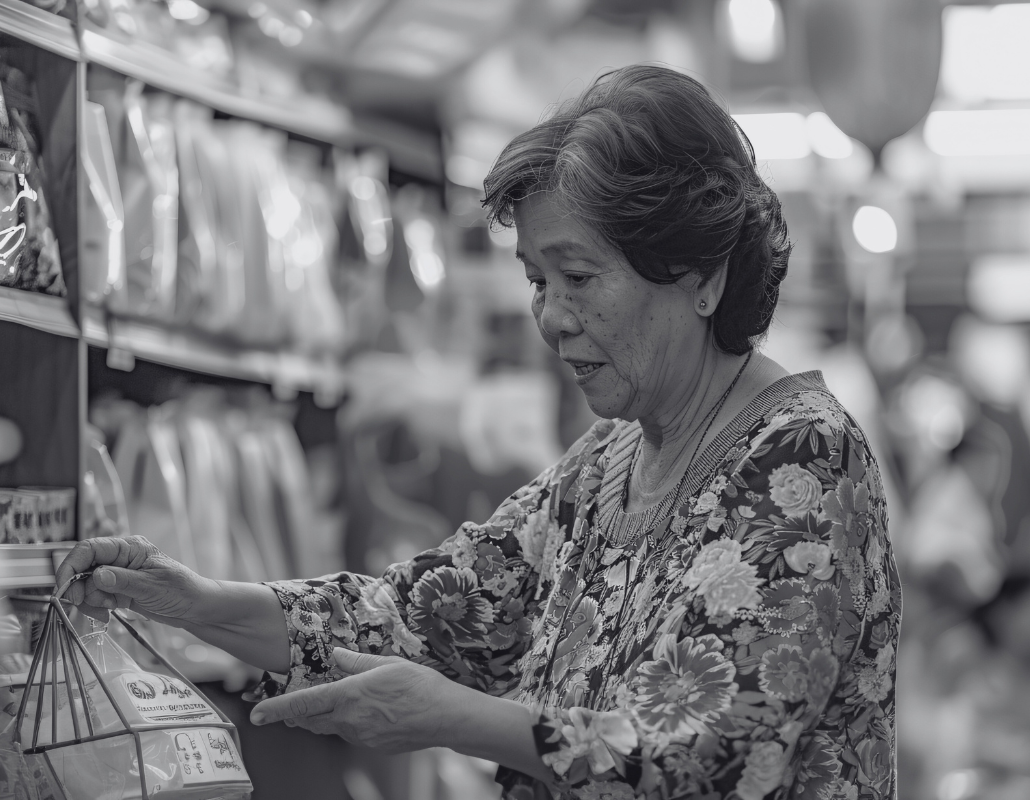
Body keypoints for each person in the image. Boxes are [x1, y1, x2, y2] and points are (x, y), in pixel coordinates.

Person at [58, 65, 900, 800]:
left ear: (702, 276)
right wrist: (197, 603)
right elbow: (424, 611)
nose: (552, 318)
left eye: (579, 277)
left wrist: (455, 719)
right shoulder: (608, 464)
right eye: (537, 281)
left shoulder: (799, 457)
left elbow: (713, 758)